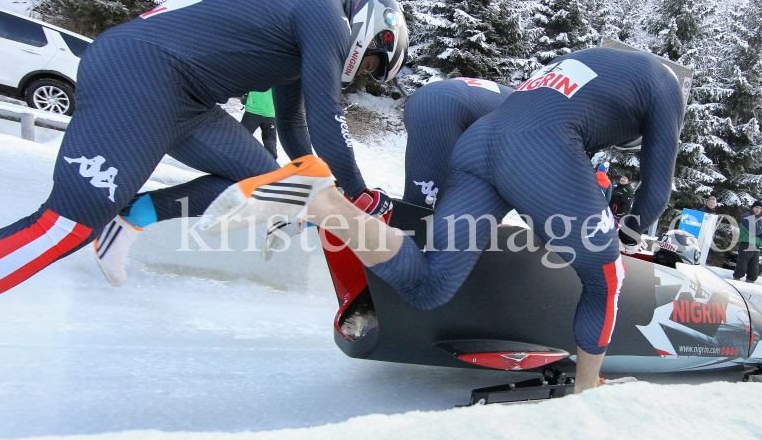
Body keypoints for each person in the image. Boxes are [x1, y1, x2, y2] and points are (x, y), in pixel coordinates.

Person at [202, 45, 685, 393]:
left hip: (483, 140)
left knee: (430, 284)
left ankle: (323, 202)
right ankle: (587, 390)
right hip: (537, 148)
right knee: (606, 277)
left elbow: (549, 123)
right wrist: (625, 235)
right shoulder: (666, 85)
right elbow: (655, 191)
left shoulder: (597, 60)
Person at [0, 0, 408, 296]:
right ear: (373, 32)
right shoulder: (325, 14)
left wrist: (317, 193)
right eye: (371, 63)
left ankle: (133, 215)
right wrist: (358, 196)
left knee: (268, 185)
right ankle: (105, 219)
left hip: (184, 96)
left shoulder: (306, 17)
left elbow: (295, 125)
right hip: (142, 76)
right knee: (64, 226)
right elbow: (326, 118)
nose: (362, 71)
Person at [401, 78, 513, 209]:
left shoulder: (522, 100)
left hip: (426, 98)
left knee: (426, 206)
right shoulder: (536, 129)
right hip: (441, 109)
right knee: (422, 210)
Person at [732, 201, 762, 283]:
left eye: (760, 208)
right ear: (752, 207)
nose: (758, 210)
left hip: (756, 245)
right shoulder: (747, 217)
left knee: (754, 266)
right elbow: (753, 230)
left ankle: (751, 280)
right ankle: (737, 279)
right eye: (756, 207)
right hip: (747, 243)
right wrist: (761, 230)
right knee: (742, 264)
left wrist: (761, 231)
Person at [240, 90, 279, 160]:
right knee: (241, 138)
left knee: (270, 144)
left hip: (271, 114)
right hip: (253, 111)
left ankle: (271, 166)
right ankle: (236, 161)